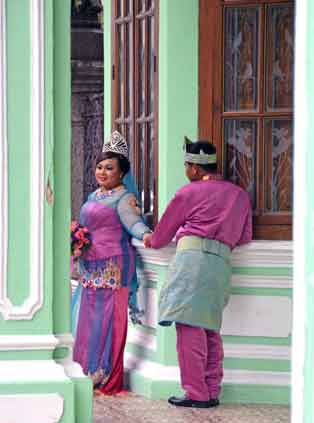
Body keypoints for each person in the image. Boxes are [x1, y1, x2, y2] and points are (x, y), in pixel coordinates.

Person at [143, 138, 252, 408]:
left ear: (193, 168)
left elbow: (159, 238)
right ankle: (211, 389)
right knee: (209, 327)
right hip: (220, 265)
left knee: (189, 327)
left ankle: (196, 393)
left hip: (192, 261)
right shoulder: (239, 194)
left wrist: (149, 239)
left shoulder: (188, 193)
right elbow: (244, 236)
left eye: (186, 165)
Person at [72, 131, 151, 395]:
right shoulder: (95, 195)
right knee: (88, 318)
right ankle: (83, 367)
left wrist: (148, 235)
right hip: (90, 265)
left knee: (105, 320)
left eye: (109, 168)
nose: (102, 172)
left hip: (112, 266)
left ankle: (102, 372)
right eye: (99, 167)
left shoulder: (124, 198)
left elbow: (134, 223)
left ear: (121, 173)